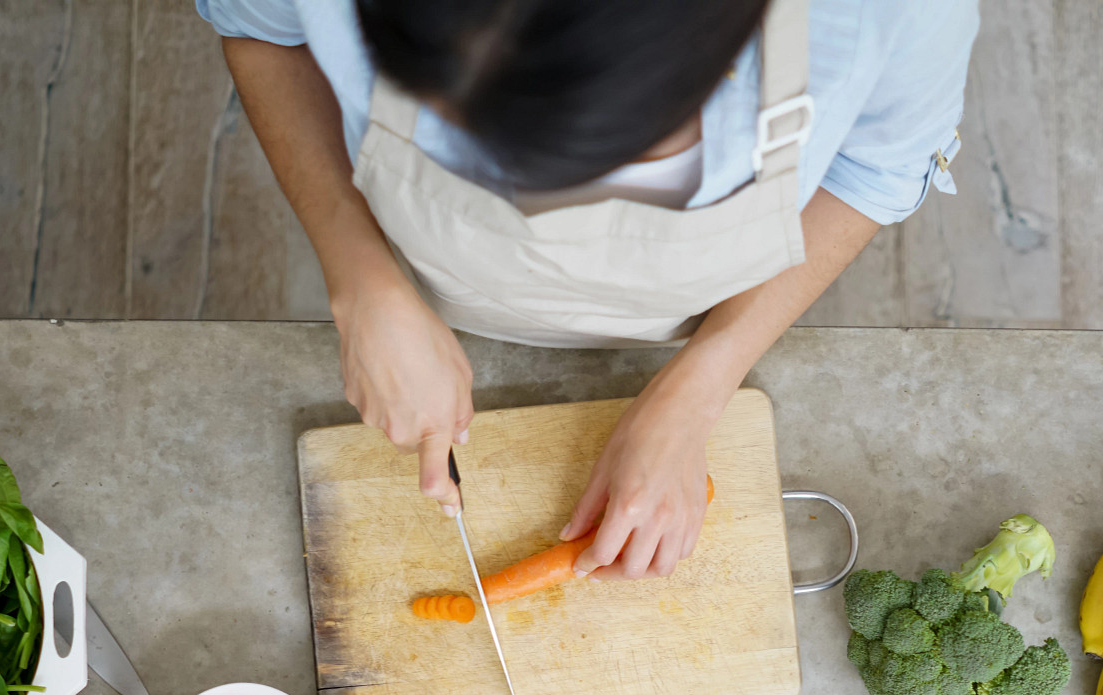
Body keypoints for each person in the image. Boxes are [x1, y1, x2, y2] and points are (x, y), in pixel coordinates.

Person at [201, 0, 978, 579]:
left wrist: (705, 381)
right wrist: (360, 274)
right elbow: (262, 33)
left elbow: (872, 171)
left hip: (704, 310)